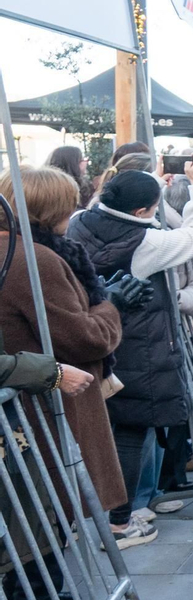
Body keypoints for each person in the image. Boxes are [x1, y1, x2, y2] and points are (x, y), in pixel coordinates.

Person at [67, 162, 193, 546]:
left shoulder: (81, 221)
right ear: (142, 212)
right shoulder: (145, 243)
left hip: (94, 334)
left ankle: (99, 516)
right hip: (137, 344)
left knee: (104, 432)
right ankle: (120, 521)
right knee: (132, 432)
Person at [0, 166, 139, 539]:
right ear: (48, 210)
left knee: (33, 521)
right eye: (67, 204)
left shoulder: (17, 250)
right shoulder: (31, 259)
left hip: (29, 404)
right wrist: (110, 305)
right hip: (45, 406)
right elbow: (82, 337)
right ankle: (48, 598)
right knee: (46, 522)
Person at [46, 145, 92, 210]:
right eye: (83, 160)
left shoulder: (47, 186)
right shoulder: (71, 190)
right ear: (73, 164)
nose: (86, 163)